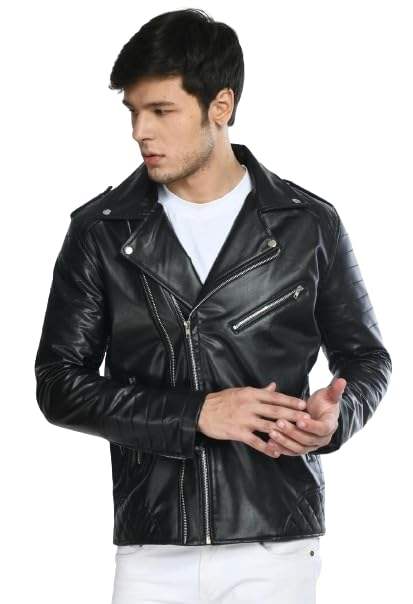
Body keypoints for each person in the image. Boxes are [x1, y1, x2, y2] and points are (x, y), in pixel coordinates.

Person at [34, 8, 392, 604]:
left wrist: (338, 417)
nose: (140, 131)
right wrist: (196, 413)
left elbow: (367, 359)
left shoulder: (308, 225)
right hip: (152, 545)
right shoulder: (100, 231)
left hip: (275, 541)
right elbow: (58, 383)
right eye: (133, 112)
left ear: (220, 106)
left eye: (161, 111)